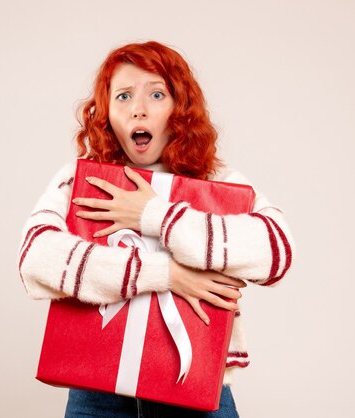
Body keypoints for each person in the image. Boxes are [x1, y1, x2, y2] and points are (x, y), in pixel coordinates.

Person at [18, 41, 294, 418]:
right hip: (94, 392)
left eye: (157, 94)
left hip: (194, 388)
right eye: (124, 96)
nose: (139, 109)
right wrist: (165, 274)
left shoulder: (217, 182)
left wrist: (155, 216)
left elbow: (277, 251)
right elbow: (35, 257)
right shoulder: (79, 180)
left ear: (178, 110)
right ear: (107, 113)